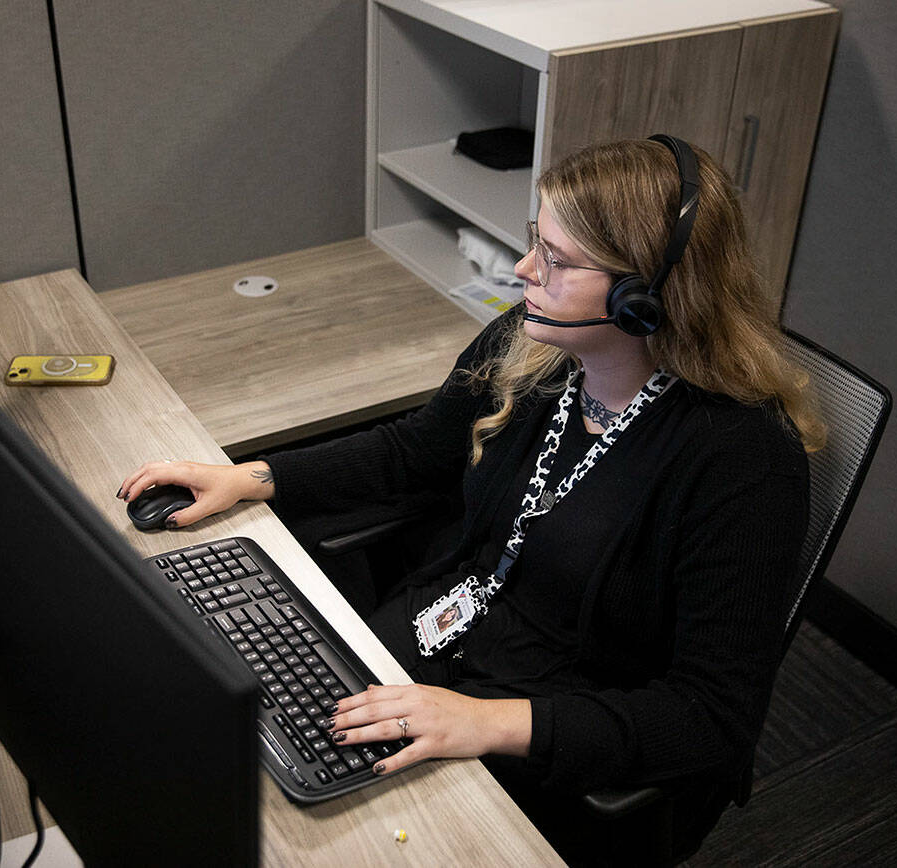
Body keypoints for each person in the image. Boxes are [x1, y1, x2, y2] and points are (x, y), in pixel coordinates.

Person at [117, 137, 822, 862]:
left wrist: (485, 724)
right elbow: (414, 453)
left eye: (557, 259)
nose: (523, 271)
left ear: (643, 300)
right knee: (228, 737)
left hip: (555, 728)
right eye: (532, 242)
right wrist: (252, 477)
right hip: (439, 638)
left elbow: (709, 719)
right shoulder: (536, 346)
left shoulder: (743, 462)